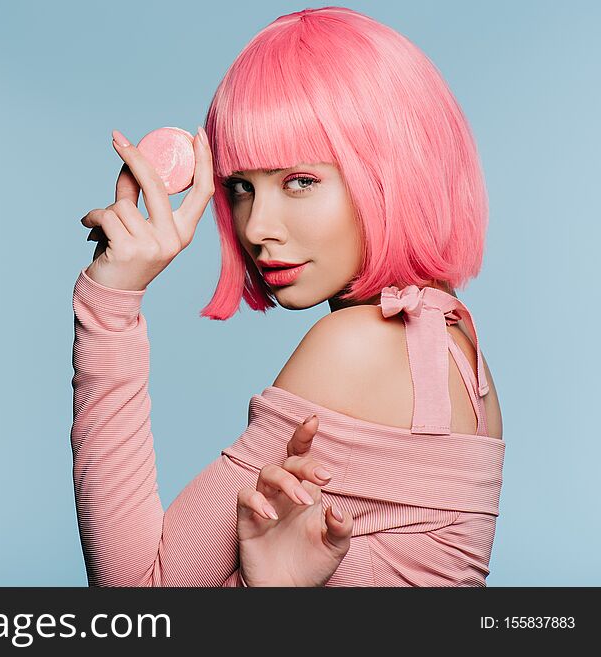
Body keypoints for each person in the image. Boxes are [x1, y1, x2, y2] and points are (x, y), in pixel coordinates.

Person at [70, 6, 504, 587]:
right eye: (242, 187)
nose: (255, 227)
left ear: (391, 172)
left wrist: (111, 303)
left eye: (299, 182)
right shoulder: (451, 341)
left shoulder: (358, 346)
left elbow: (139, 592)